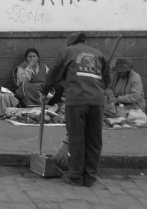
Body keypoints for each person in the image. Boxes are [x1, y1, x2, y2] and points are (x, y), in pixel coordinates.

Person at [41, 32, 110, 187]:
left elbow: (53, 74)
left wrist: (45, 91)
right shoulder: (98, 54)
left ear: (70, 43)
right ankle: (90, 176)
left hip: (77, 100)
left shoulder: (67, 52)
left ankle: (75, 176)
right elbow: (107, 79)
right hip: (97, 101)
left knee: (76, 139)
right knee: (94, 140)